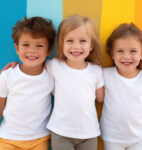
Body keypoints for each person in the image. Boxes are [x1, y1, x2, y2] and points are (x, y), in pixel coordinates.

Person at [1, 14, 104, 150]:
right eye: (70, 41)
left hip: (76, 134)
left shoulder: (94, 71)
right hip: (44, 134)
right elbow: (30, 67)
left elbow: (101, 98)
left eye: (82, 41)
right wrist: (14, 64)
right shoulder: (53, 67)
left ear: (91, 45)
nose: (76, 46)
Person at [0, 16, 56, 150]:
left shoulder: (52, 74)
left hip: (39, 139)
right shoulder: (7, 75)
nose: (32, 50)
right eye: (26, 45)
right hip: (8, 139)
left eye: (39, 45)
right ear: (17, 48)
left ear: (49, 50)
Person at [100, 23, 142, 150]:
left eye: (133, 51)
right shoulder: (104, 75)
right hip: (112, 138)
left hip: (138, 139)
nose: (126, 56)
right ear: (112, 54)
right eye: (120, 51)